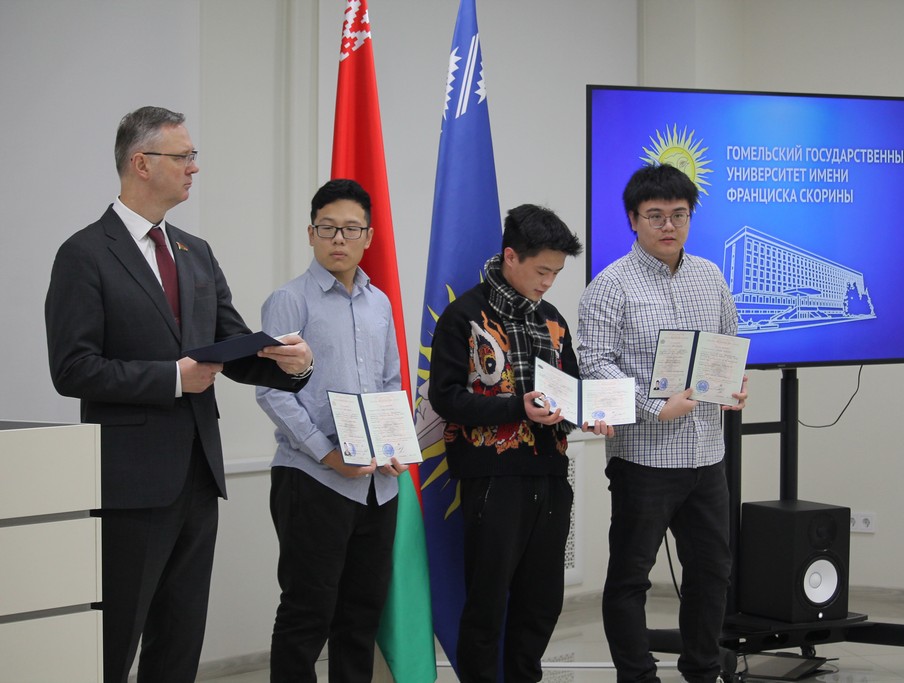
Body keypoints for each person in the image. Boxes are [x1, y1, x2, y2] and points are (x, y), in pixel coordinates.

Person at [44, 106, 314, 683]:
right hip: (129, 484)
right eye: (183, 156)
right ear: (141, 163)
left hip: (197, 478)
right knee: (113, 645)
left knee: (179, 643)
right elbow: (73, 369)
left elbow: (230, 345)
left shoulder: (196, 252)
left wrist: (291, 364)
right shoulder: (84, 254)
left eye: (194, 156)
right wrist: (171, 377)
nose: (195, 167)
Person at [577, 164, 748, 683]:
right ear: (633, 219)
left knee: (712, 573)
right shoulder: (610, 285)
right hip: (643, 459)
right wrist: (652, 405)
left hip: (707, 454)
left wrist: (733, 385)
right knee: (631, 578)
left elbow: (728, 342)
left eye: (679, 214)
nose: (669, 225)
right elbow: (594, 362)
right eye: (655, 216)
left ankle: (703, 670)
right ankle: (638, 677)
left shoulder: (710, 276)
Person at [428, 204, 613, 683]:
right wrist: (517, 408)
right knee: (487, 603)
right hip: (493, 479)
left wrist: (589, 414)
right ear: (511, 256)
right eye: (542, 270)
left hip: (550, 476)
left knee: (542, 602)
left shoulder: (552, 320)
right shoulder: (464, 316)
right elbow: (445, 398)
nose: (548, 282)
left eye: (557, 273)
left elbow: (571, 389)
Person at [254, 178, 409, 683]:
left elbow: (390, 384)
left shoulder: (379, 303)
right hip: (313, 479)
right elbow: (273, 392)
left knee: (361, 616)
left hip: (378, 483)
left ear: (368, 236)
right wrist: (328, 454)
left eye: (350, 229)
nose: (339, 239)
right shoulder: (289, 300)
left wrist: (392, 446)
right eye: (328, 228)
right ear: (311, 233)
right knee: (307, 614)